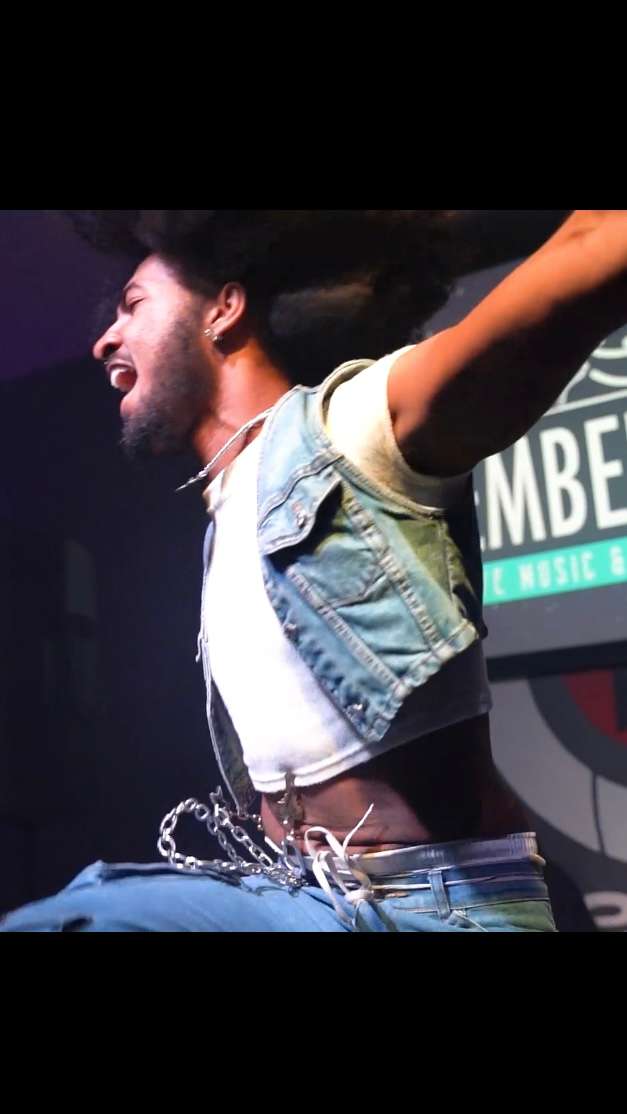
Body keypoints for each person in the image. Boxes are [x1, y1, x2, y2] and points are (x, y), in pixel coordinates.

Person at [4, 209, 626, 933]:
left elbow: (589, 248)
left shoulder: (347, 429)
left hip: (438, 908)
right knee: (88, 902)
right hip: (306, 896)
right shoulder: (225, 518)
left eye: (133, 305)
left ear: (224, 310)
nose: (105, 339)